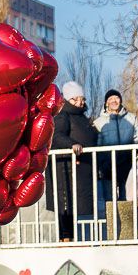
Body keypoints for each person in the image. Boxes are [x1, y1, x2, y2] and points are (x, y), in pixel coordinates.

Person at [46, 81, 98, 241]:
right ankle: (66, 238)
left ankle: (74, 238)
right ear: (68, 99)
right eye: (75, 99)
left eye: (81, 98)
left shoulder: (83, 117)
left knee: (77, 206)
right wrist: (72, 144)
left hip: (82, 168)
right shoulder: (63, 116)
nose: (80, 102)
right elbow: (56, 136)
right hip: (66, 169)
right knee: (66, 203)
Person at [93, 88, 138, 206]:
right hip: (108, 166)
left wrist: (131, 152)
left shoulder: (132, 118)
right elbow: (98, 146)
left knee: (127, 199)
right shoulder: (99, 122)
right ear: (106, 103)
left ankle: (128, 224)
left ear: (120, 100)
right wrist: (102, 164)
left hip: (128, 164)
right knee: (110, 202)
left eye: (116, 98)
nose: (114, 101)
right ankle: (112, 224)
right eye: (110, 99)